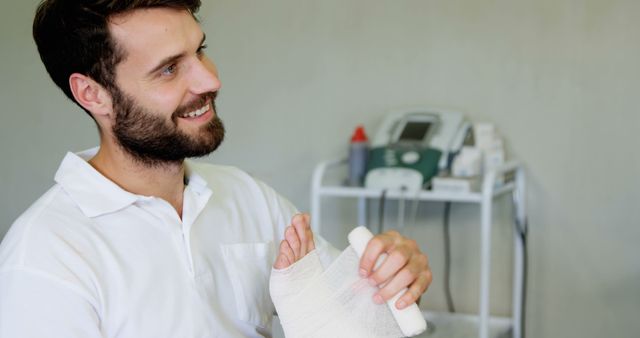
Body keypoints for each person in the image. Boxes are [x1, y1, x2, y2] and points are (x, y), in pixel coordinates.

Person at [0, 1, 433, 337]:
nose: (210, 80)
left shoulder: (250, 199)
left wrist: (390, 280)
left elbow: (353, 321)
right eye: (169, 69)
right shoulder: (45, 256)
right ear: (93, 95)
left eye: (200, 51)